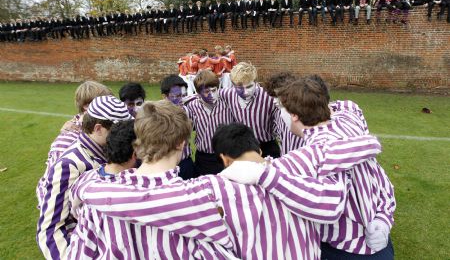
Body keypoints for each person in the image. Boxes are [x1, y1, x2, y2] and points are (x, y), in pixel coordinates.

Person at [70, 100, 382, 259]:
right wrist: (369, 143)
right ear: (183, 143)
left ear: (138, 142)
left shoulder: (95, 196)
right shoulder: (208, 194)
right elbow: (326, 160)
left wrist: (88, 187)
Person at [276, 77, 396, 259]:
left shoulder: (314, 154)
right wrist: (384, 218)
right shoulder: (349, 118)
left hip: (343, 250)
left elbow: (330, 206)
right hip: (380, 244)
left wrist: (268, 169)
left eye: (282, 109)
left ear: (294, 115)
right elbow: (346, 106)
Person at [36, 95, 132, 260]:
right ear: (98, 128)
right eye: (116, 131)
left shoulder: (106, 152)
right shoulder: (69, 164)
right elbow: (50, 229)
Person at [35, 81, 113, 210]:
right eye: (103, 103)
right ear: (86, 107)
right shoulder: (66, 141)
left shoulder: (104, 128)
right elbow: (49, 190)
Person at [220, 62, 280, 158]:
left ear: (256, 82)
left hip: (267, 146)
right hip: (242, 148)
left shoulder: (268, 96)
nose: (245, 92)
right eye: (239, 88)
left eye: (249, 86)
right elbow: (200, 96)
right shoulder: (228, 94)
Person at [184, 70, 235, 175]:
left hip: (227, 154)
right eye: (207, 92)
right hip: (204, 157)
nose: (212, 95)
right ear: (198, 93)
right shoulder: (192, 106)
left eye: (214, 90)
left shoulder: (227, 102)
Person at [160, 75, 196, 180]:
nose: (180, 100)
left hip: (186, 162)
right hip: (166, 165)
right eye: (176, 96)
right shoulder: (158, 116)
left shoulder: (186, 110)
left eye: (183, 95)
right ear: (164, 96)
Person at [264, 72, 304, 155]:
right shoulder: (278, 113)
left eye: (278, 96)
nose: (275, 101)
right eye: (273, 96)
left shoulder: (304, 115)